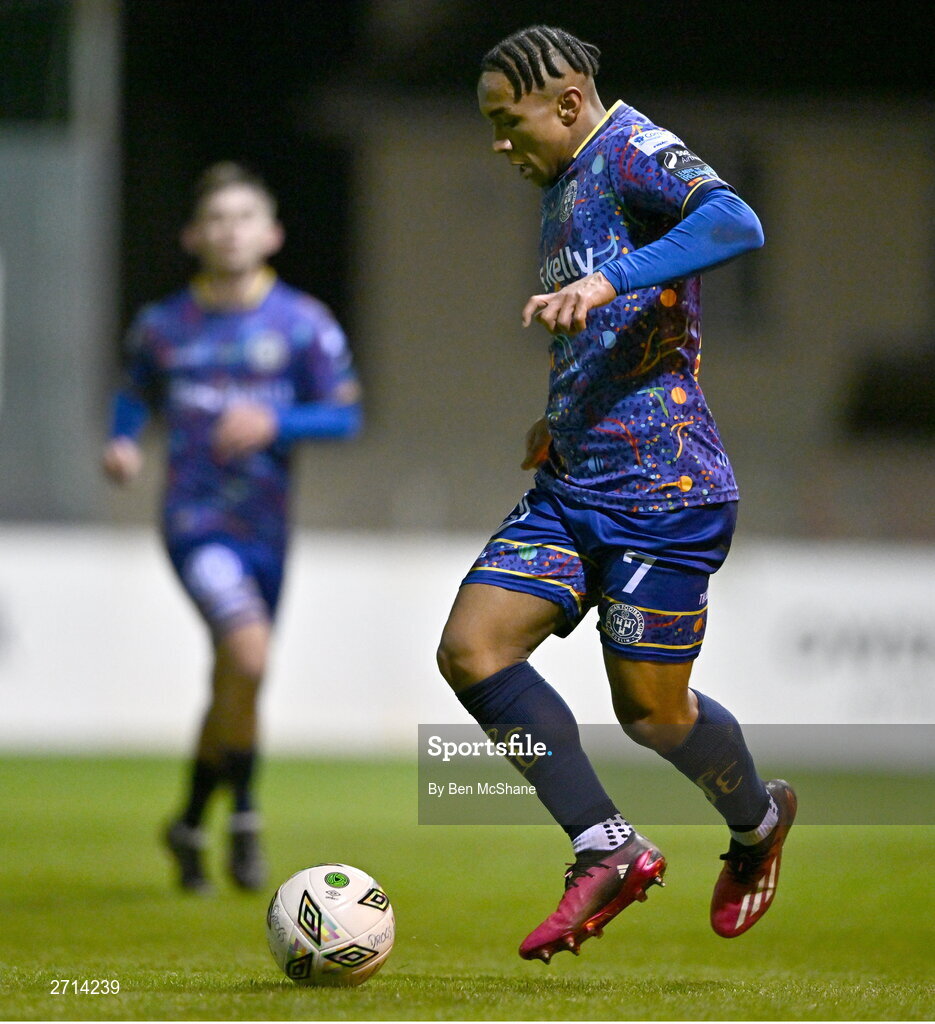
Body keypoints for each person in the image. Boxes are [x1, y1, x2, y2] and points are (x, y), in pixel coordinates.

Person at [436, 25, 796, 962]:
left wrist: (606, 278)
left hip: (664, 490)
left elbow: (735, 222)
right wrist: (560, 412)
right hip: (573, 481)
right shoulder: (563, 184)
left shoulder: (631, 148)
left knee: (652, 716)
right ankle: (605, 846)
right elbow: (610, 331)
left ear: (565, 104)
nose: (498, 143)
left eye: (506, 122)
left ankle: (757, 822)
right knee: (472, 650)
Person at [103, 162, 362, 893]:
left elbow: (346, 414)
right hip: (195, 522)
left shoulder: (302, 322)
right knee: (247, 658)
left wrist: (277, 419)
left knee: (236, 680)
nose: (229, 230)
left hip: (267, 529)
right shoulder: (162, 326)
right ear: (193, 235)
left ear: (271, 233)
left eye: (244, 217)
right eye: (216, 219)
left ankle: (189, 822)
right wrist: (123, 440)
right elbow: (132, 395)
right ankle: (245, 818)